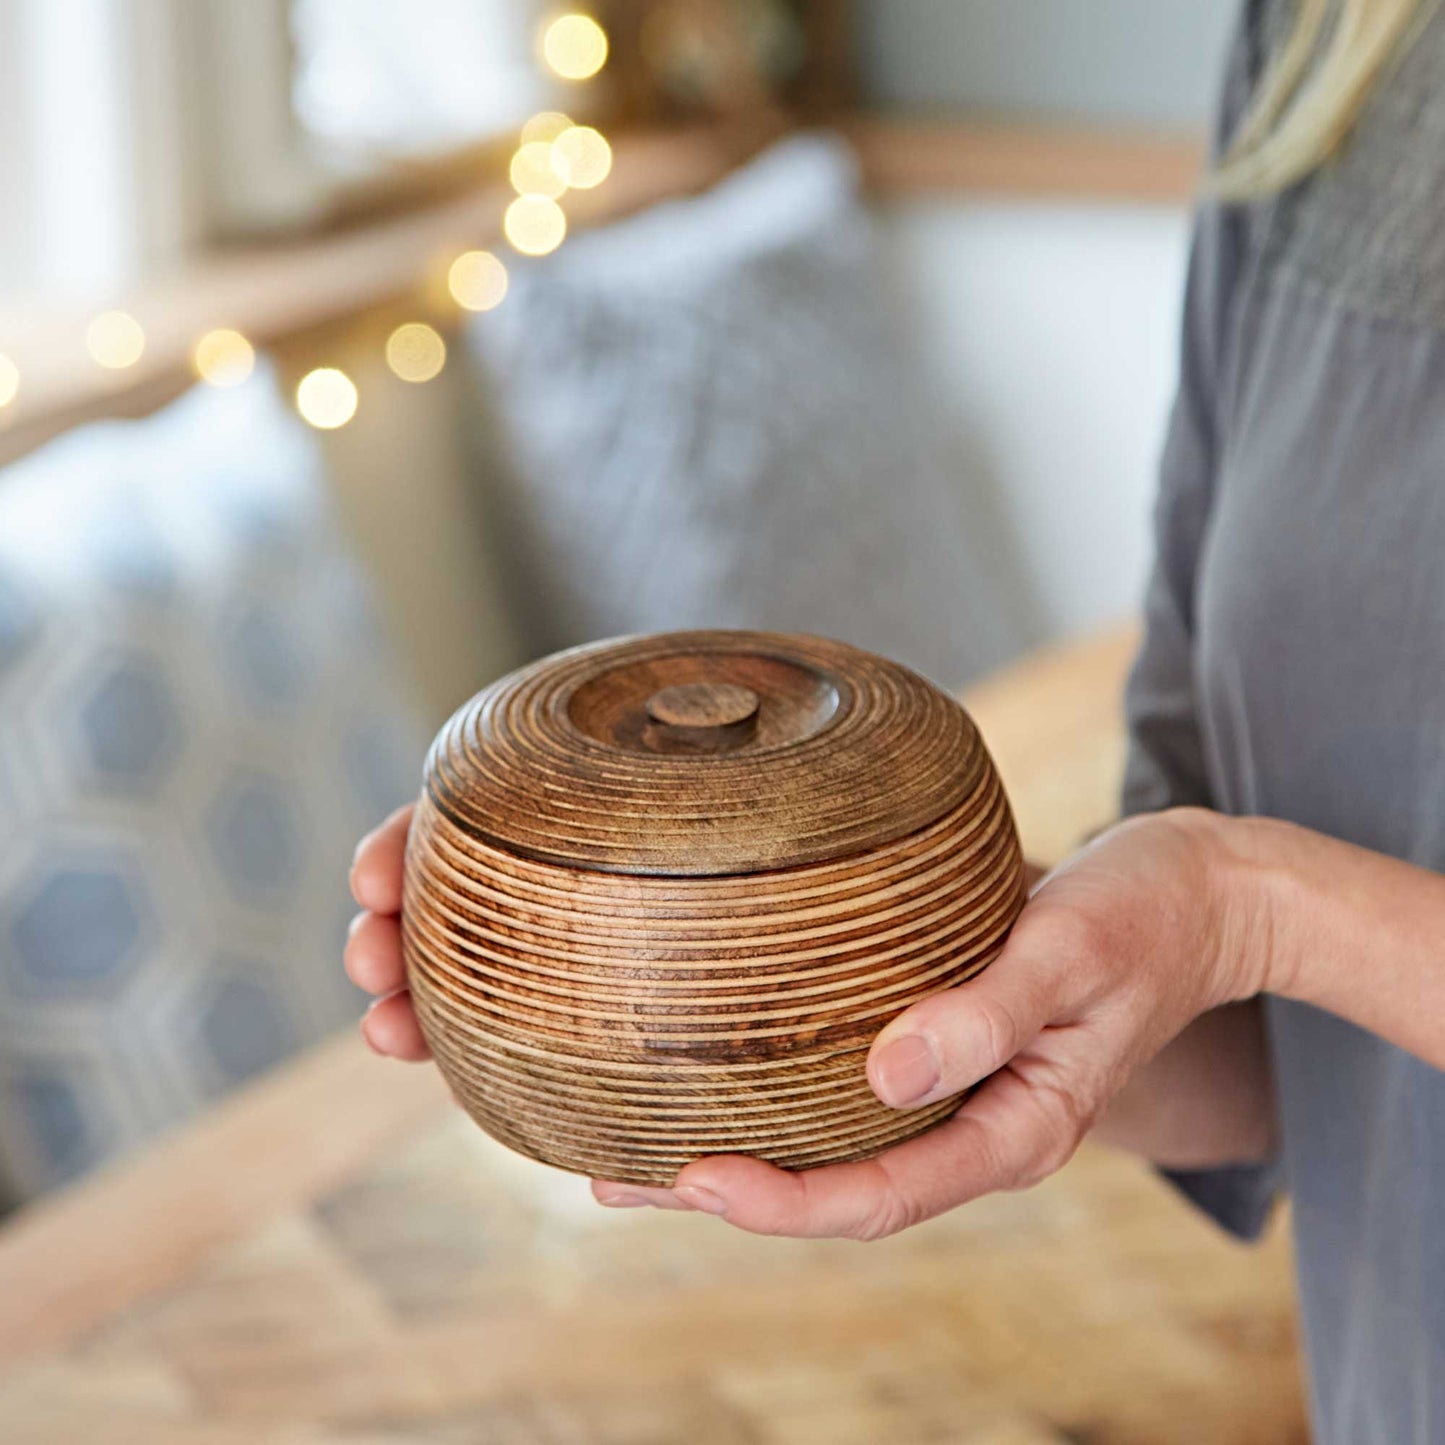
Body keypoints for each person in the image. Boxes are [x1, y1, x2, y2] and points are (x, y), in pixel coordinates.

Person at [345, 2, 1445, 1437]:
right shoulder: (1328, 49)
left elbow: (1255, 921)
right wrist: (957, 1001)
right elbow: (1292, 1066)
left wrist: (1261, 909)